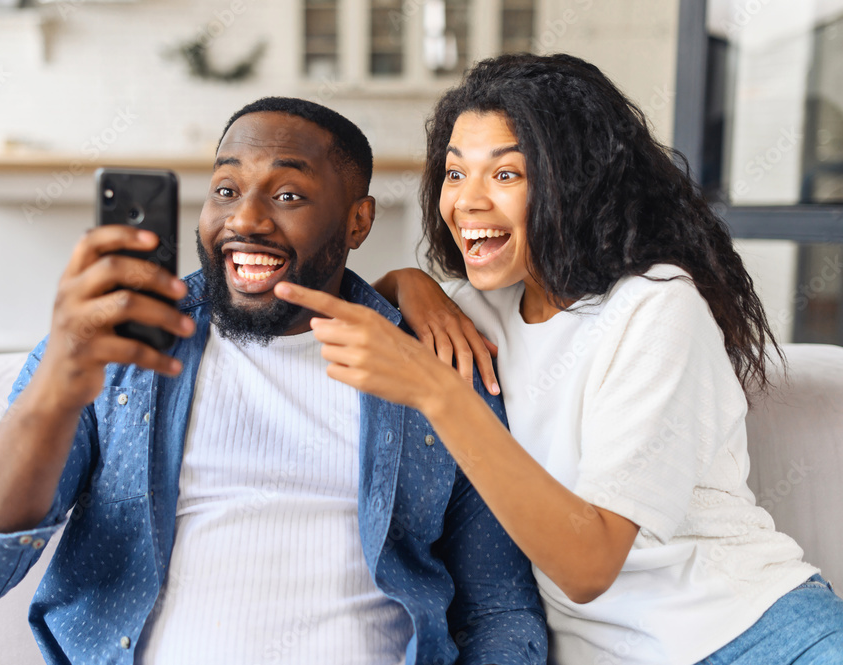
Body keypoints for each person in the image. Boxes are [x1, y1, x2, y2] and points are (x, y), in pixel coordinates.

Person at [0, 96, 547, 665]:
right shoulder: (107, 357)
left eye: (288, 196)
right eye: (225, 189)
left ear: (358, 222)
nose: (244, 219)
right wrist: (56, 386)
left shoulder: (436, 369)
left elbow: (500, 612)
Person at [274, 55, 843, 664]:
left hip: (757, 638)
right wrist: (408, 281)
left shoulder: (655, 307)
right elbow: (357, 309)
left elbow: (588, 565)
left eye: (507, 175)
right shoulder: (479, 309)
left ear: (575, 182)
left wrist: (440, 396)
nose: (467, 201)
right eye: (455, 173)